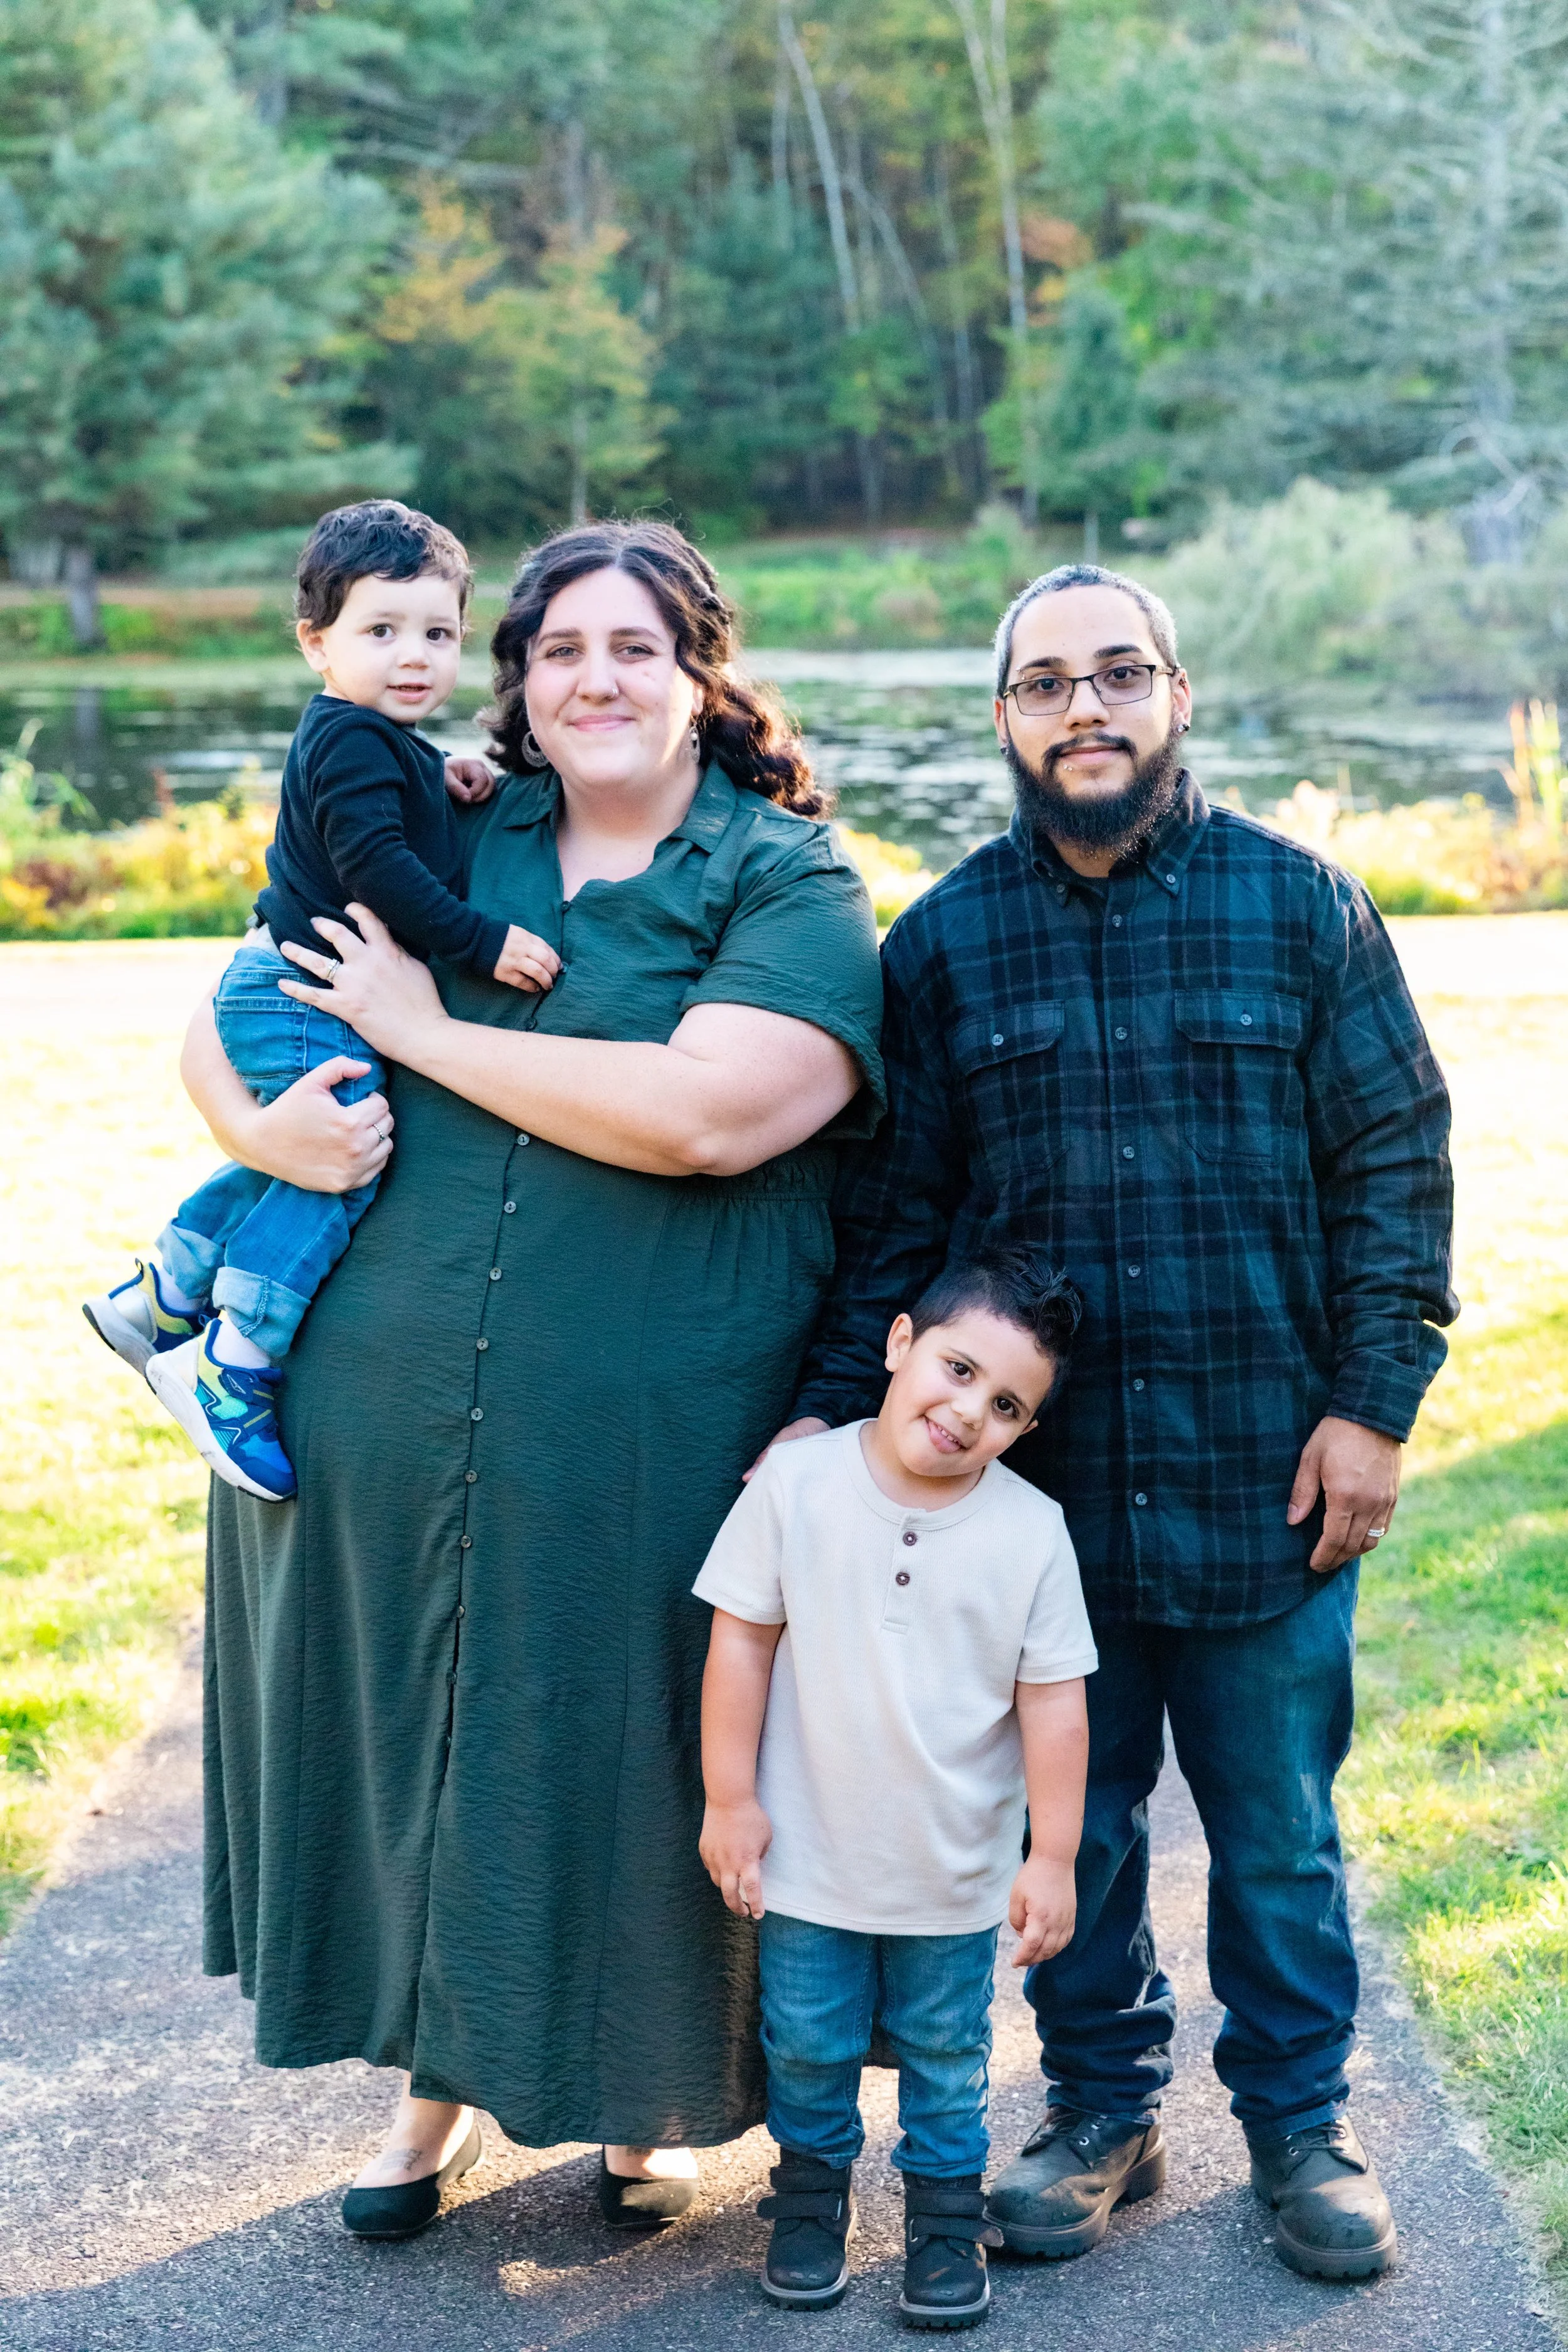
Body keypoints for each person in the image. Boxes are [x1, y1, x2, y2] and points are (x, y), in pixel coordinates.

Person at [177, 521, 885, 2239]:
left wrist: (419, 1032)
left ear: (698, 671)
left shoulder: (780, 877)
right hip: (385, 1412)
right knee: (431, 1738)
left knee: (630, 1744)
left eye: (634, 647)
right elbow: (241, 985)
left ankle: (637, 2100)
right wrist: (246, 1115)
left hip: (656, 1418)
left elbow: (712, 1115)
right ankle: (431, 2089)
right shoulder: (448, 821)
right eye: (561, 646)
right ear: (521, 674)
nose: (595, 679)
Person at [776, 563, 1457, 2283]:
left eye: (1117, 673)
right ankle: (1101, 2109)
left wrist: (1370, 1409)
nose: (1085, 707)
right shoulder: (936, 946)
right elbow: (894, 1221)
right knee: (1060, 1831)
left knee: (1280, 1835)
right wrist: (825, 1433)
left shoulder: (1303, 909)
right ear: (1002, 716)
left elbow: (1392, 1165)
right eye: (1046, 683)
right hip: (1036, 1509)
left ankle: (1300, 2127)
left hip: (1266, 1477)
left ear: (1173, 692)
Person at [82, 500, 557, 1503]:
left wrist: (449, 771)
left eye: (437, 633)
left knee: (305, 1144)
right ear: (316, 643)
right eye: (379, 631)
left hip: (297, 988)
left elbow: (392, 800)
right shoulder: (348, 739)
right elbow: (377, 865)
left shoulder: (377, 740)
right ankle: (234, 1361)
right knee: (343, 1154)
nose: (414, 655)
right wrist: (481, 941)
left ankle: (165, 1284)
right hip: (302, 990)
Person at [697, 1248, 1096, 2328]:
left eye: (1007, 1403)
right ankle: (813, 2202)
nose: (970, 1411)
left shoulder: (1030, 1531)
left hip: (955, 1874)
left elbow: (1054, 1704)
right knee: (809, 2043)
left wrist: (1050, 1856)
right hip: (809, 1861)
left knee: (947, 2056)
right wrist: (729, 1799)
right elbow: (740, 1642)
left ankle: (941, 2218)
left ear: (1024, 1429)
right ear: (901, 1342)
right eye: (959, 1369)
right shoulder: (800, 1480)